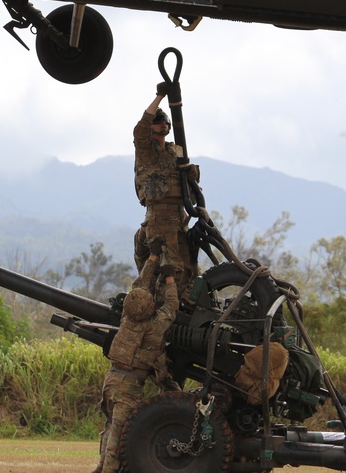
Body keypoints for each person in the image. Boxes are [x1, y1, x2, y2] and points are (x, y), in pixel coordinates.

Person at [95, 254, 178, 473]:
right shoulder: (154, 327)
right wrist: (169, 280)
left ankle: (101, 467)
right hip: (129, 386)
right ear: (150, 307)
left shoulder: (127, 316)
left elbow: (139, 286)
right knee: (119, 435)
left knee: (111, 426)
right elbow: (171, 306)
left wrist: (152, 258)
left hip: (111, 379)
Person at [132, 84, 200, 298]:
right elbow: (140, 129)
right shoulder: (146, 150)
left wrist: (192, 173)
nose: (162, 124)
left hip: (180, 215)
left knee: (189, 269)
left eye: (165, 121)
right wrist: (160, 96)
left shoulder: (174, 150)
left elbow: (190, 174)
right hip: (159, 216)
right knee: (170, 268)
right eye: (158, 121)